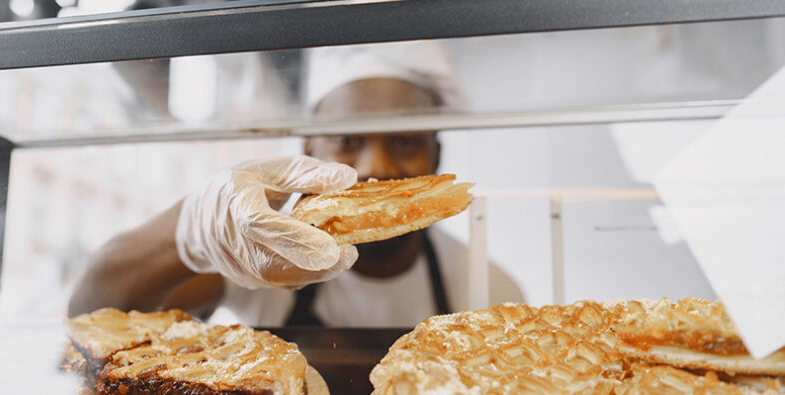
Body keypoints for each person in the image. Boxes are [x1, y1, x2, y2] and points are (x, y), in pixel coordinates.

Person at [68, 42, 522, 326]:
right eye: (346, 140)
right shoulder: (258, 259)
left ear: (436, 157)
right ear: (309, 153)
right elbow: (91, 313)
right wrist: (195, 230)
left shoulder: (489, 287)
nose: (377, 167)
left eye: (405, 141)